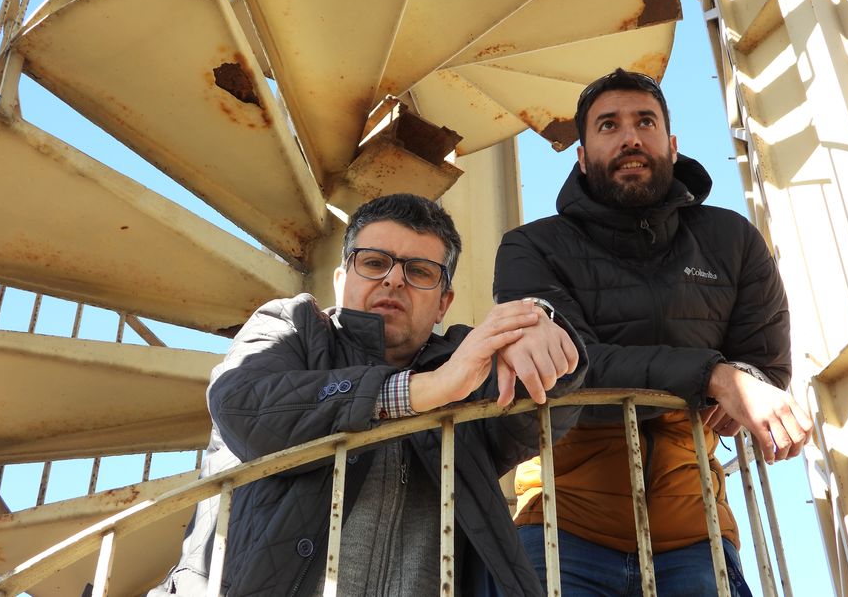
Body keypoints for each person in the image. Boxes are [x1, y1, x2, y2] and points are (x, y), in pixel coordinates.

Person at [150, 193, 586, 597]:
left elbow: (539, 416)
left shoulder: (465, 360)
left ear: (443, 302)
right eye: (375, 262)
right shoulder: (290, 325)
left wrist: (538, 324)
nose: (394, 279)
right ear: (341, 280)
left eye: (419, 271)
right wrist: (421, 390)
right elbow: (242, 405)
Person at [493, 68, 814, 596]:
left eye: (645, 122)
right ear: (581, 156)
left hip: (696, 532)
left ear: (671, 143)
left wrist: (741, 379)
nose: (630, 138)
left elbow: (765, 368)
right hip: (560, 524)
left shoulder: (731, 240)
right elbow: (569, 369)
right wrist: (716, 378)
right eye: (608, 125)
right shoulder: (531, 247)